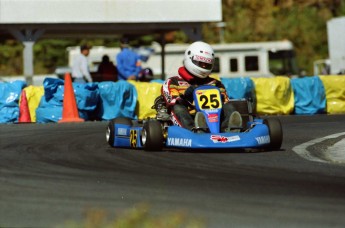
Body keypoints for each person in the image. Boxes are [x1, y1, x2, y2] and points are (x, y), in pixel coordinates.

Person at [161, 41, 242, 132]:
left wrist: (220, 97)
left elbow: (225, 102)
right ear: (189, 58)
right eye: (200, 63)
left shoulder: (216, 84)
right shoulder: (173, 82)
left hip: (215, 119)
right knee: (178, 108)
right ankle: (194, 131)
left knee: (229, 107)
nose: (203, 66)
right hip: (188, 117)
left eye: (207, 64)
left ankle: (229, 131)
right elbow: (172, 102)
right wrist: (186, 96)